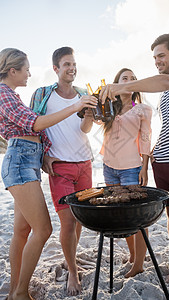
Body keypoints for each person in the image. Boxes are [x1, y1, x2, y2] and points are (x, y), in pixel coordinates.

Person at [100, 33, 169, 283]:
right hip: (162, 162)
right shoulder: (163, 95)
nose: (157, 61)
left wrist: (123, 86)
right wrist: (152, 157)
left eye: (162, 55)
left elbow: (166, 82)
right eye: (154, 57)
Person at [0, 47, 97, 300]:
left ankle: (13, 291)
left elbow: (35, 131)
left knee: (22, 231)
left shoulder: (11, 94)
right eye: (26, 69)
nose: (29, 74)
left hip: (28, 160)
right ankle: (20, 293)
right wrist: (75, 106)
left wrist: (45, 153)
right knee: (43, 230)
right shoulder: (3, 93)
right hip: (20, 162)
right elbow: (35, 123)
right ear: (13, 71)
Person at [30, 46, 96, 296]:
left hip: (85, 164)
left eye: (74, 64)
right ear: (56, 69)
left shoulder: (84, 94)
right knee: (67, 221)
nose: (72, 68)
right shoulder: (43, 95)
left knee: (79, 219)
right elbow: (33, 126)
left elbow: (86, 129)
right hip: (59, 167)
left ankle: (72, 258)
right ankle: (72, 270)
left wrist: (89, 114)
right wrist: (43, 155)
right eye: (66, 64)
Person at [100, 68, 152, 277]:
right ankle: (133, 256)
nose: (129, 81)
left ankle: (139, 263)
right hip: (108, 167)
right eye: (124, 78)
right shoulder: (108, 109)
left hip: (131, 168)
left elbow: (147, 138)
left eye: (133, 79)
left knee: (137, 217)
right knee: (121, 214)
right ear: (117, 83)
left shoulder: (141, 109)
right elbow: (90, 122)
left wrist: (144, 167)